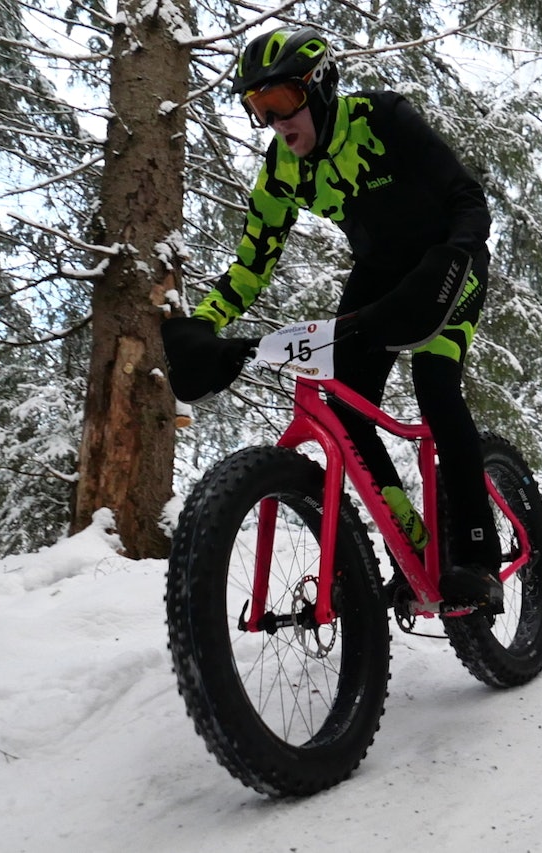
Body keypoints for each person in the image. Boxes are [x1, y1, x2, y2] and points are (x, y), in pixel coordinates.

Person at [161, 25, 501, 611]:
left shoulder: (382, 119)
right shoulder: (281, 169)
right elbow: (253, 263)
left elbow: (467, 197)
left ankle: (478, 556)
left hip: (449, 263)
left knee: (436, 386)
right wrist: (204, 323)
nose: (275, 121)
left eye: (282, 100)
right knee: (345, 405)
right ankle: (412, 549)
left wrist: (454, 253)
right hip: (381, 275)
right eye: (259, 108)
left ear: (318, 88)